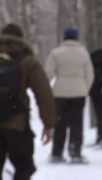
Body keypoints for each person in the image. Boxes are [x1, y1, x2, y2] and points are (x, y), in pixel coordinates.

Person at [0, 23, 56, 180]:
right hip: (17, 125)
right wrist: (49, 124)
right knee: (24, 168)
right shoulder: (27, 61)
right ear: (21, 39)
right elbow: (44, 93)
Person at [45, 27, 94, 164]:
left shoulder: (55, 53)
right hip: (79, 93)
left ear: (64, 38)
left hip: (59, 93)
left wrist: (48, 91)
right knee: (76, 123)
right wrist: (85, 89)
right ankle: (75, 153)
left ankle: (56, 153)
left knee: (60, 123)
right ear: (76, 38)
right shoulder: (83, 53)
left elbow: (47, 74)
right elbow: (90, 75)